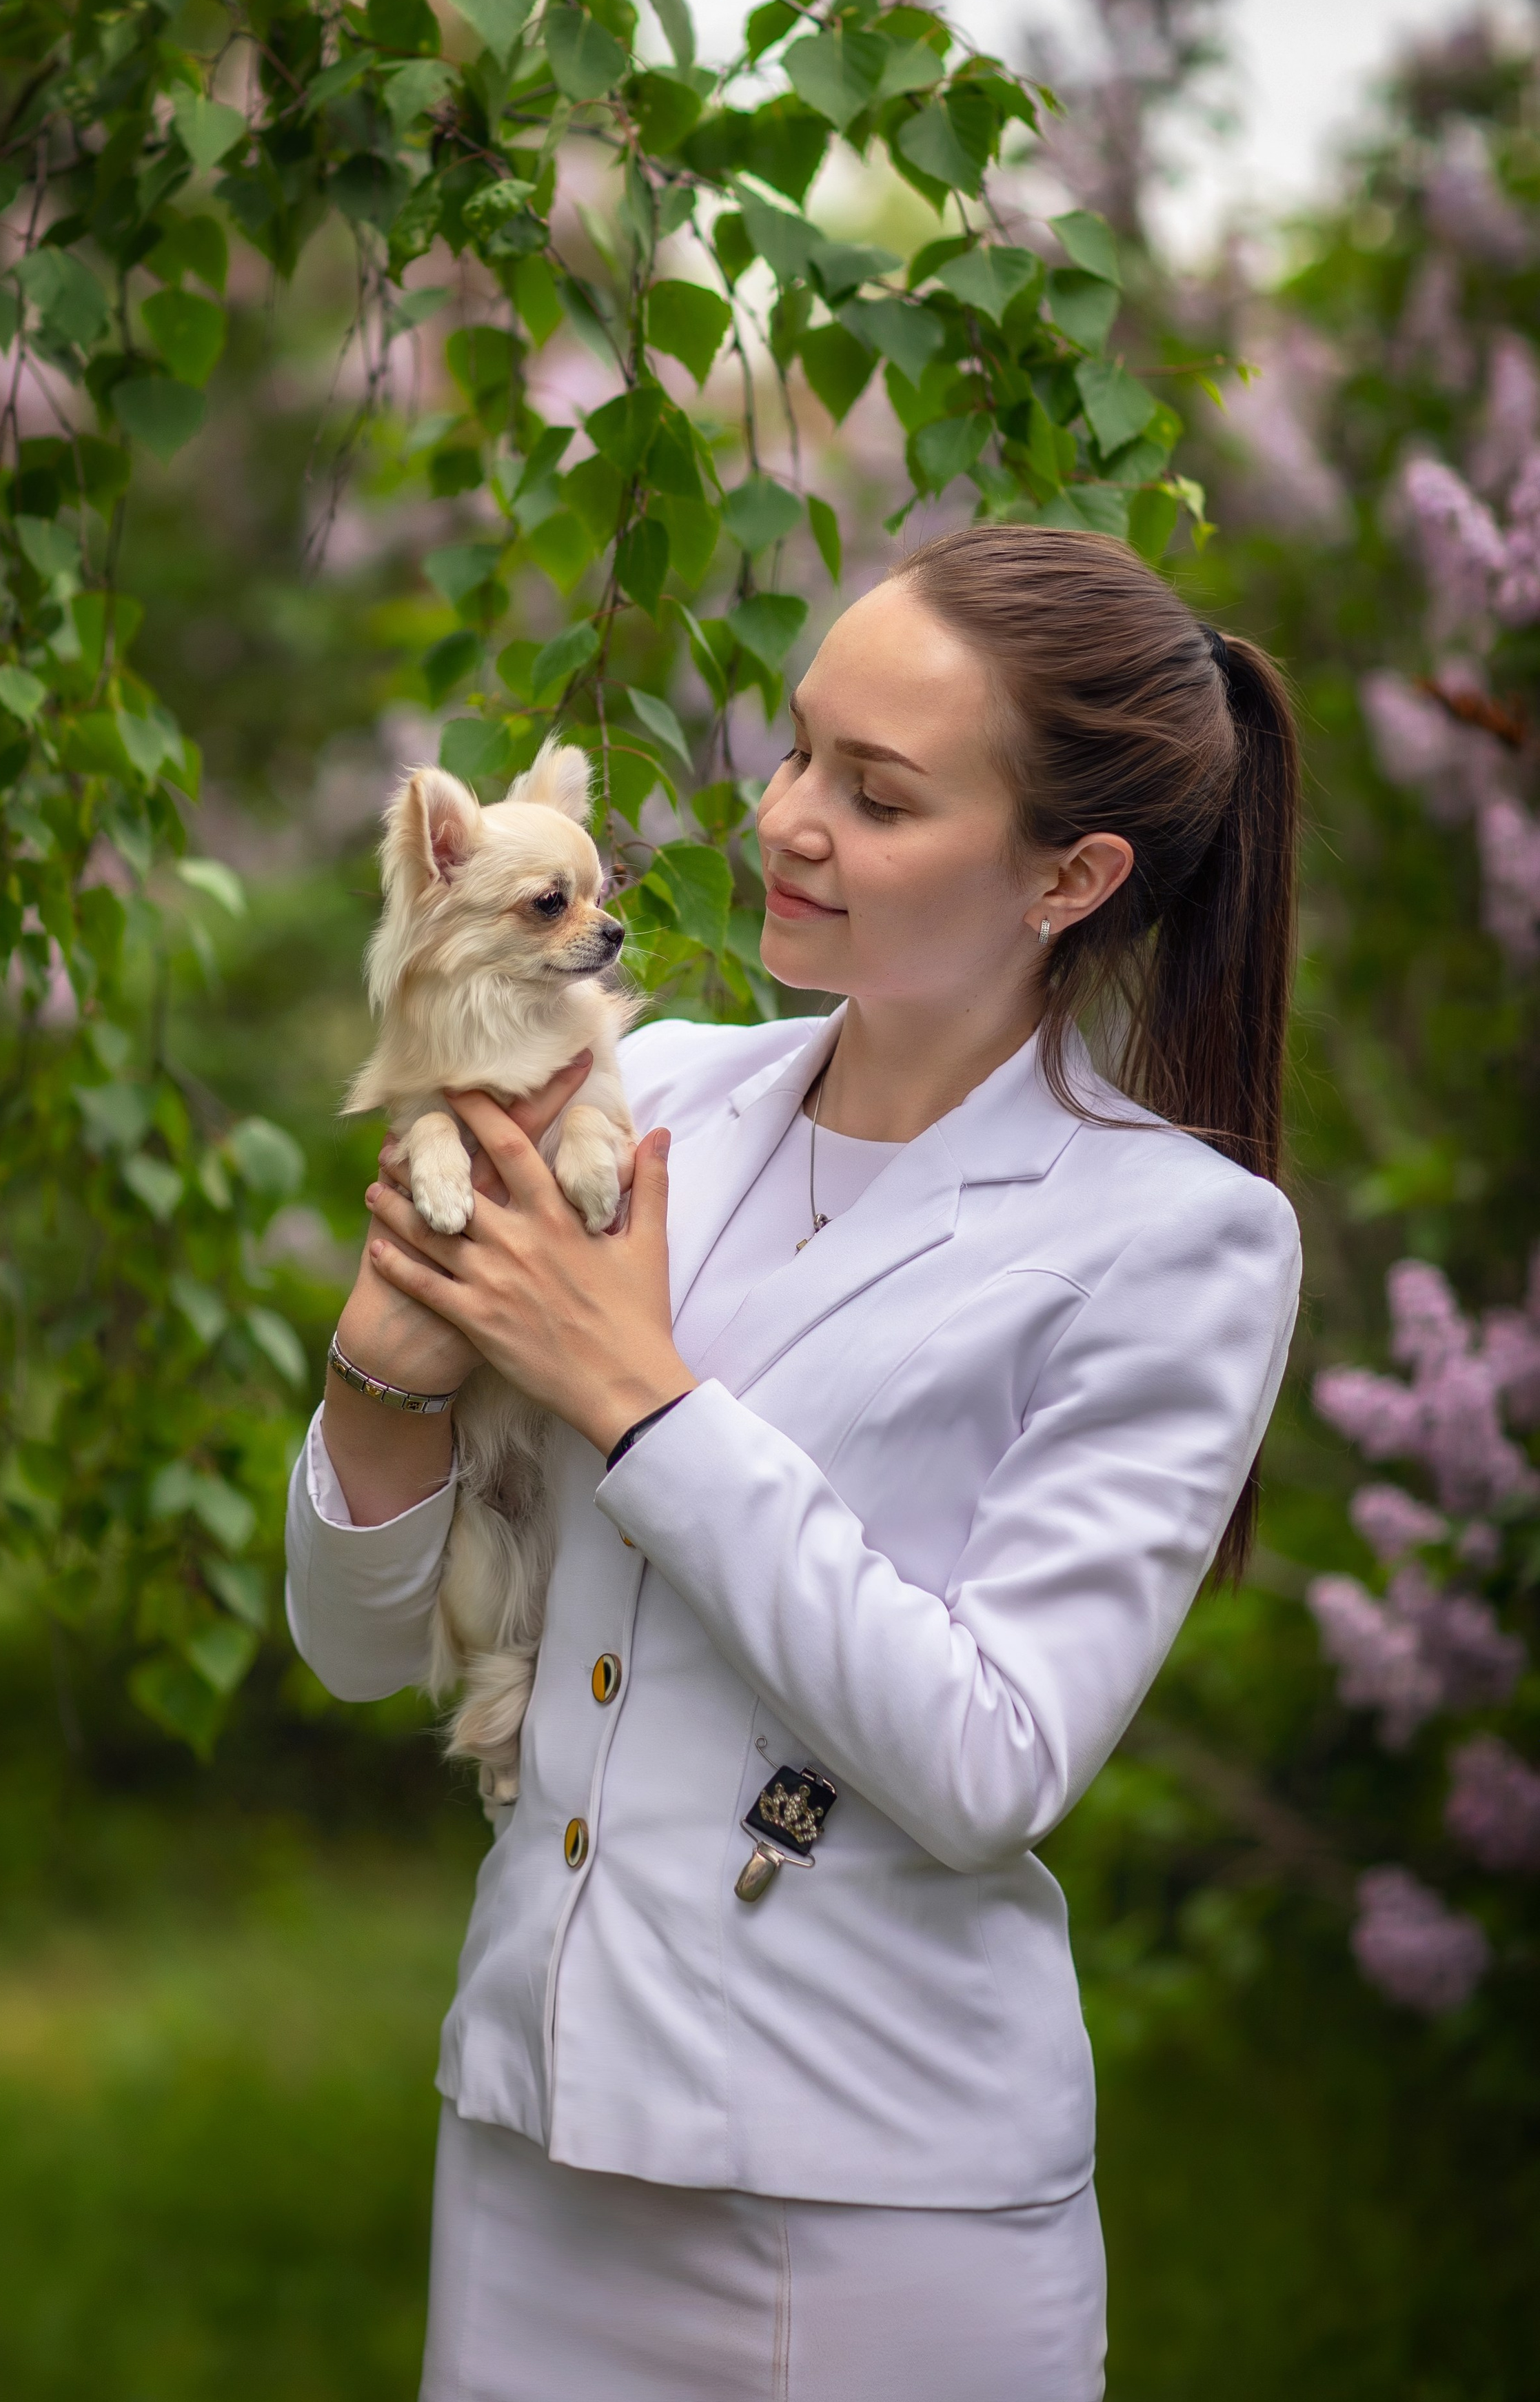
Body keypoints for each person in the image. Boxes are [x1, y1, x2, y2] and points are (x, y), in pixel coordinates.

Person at [285, 524, 1304, 2401]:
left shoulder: (1178, 1238)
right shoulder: (646, 1091)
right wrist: (380, 1381)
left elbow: (991, 1760)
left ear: (1071, 875)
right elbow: (353, 1653)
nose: (787, 821)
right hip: (528, 2147)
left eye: (878, 795)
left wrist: (640, 1401)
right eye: (798, 751)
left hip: (875, 2204)